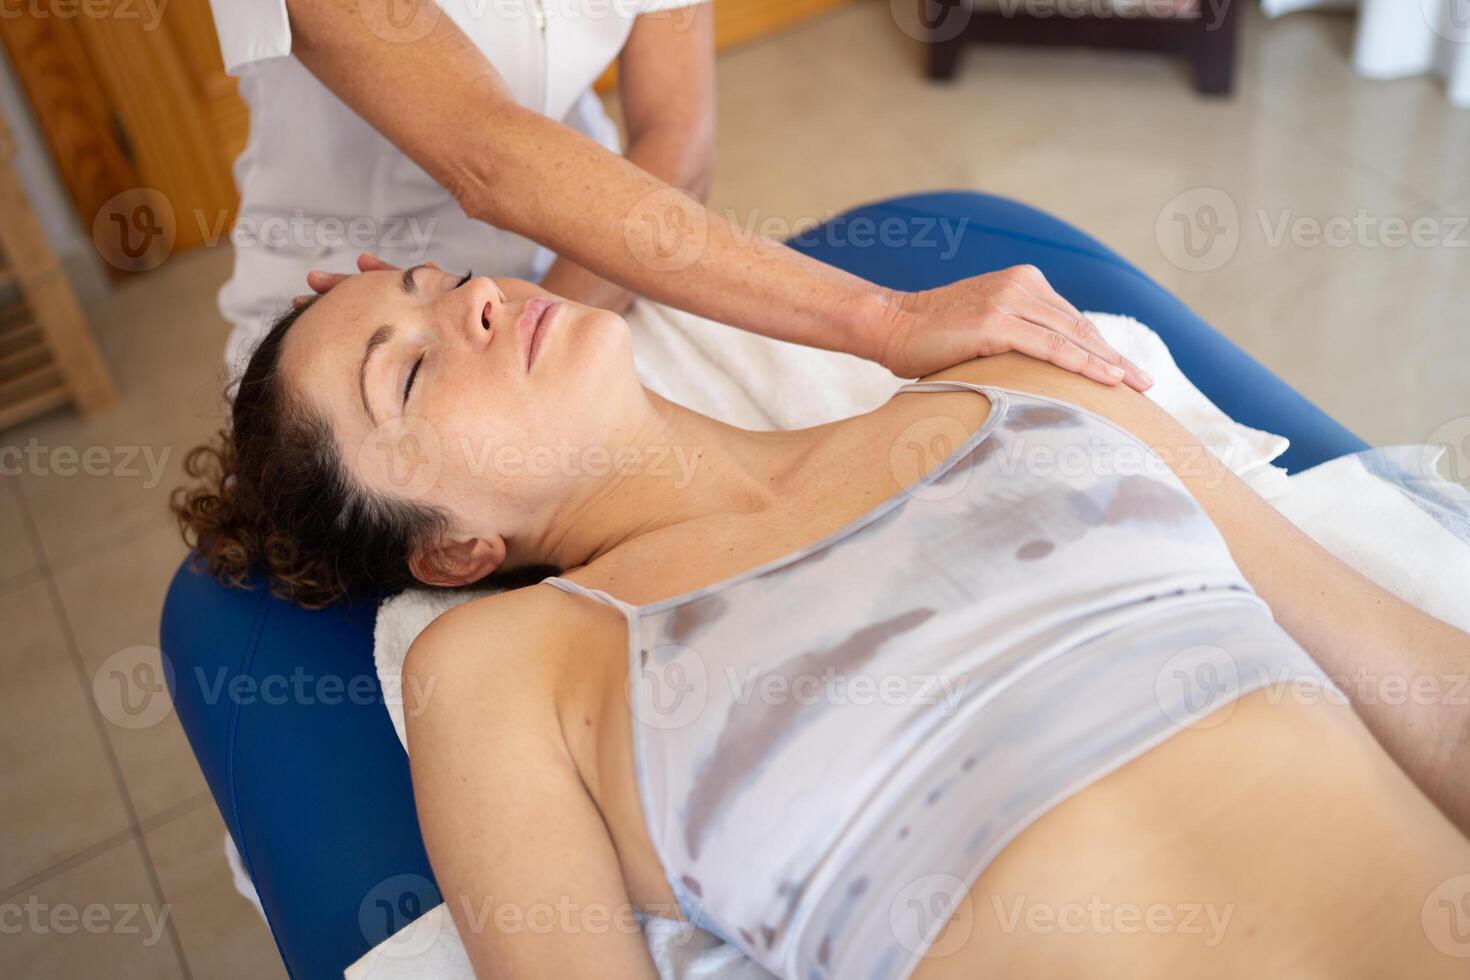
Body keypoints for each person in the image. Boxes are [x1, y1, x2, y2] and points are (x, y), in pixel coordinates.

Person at [173, 266, 1470, 979]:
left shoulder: (1014, 389)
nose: (473, 303)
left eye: (440, 280)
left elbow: (1419, 688)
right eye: (406, 367)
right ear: (452, 548)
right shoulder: (508, 670)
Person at [208, 0, 1152, 390]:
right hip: (363, 320)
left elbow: (677, 140)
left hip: (598, 254)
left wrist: (541, 352)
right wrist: (885, 320)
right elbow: (486, 158)